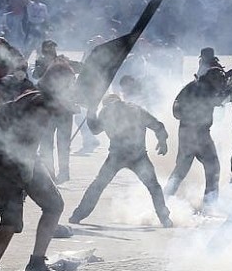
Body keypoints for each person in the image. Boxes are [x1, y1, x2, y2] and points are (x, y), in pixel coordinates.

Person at [0, 63, 74, 271]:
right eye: (68, 84)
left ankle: (37, 262)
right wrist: (25, 165)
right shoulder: (40, 102)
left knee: (54, 205)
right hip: (10, 161)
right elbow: (25, 134)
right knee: (10, 220)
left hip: (22, 159)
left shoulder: (35, 97)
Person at [69, 94, 172, 227]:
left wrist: (91, 112)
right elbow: (158, 125)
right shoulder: (136, 109)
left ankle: (77, 216)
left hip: (117, 156)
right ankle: (165, 219)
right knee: (154, 187)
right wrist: (162, 141)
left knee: (98, 185)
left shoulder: (106, 111)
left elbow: (95, 130)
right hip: (138, 155)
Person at [164, 67, 231, 207]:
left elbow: (176, 109)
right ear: (212, 79)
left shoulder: (193, 85)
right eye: (219, 80)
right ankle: (209, 205)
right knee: (213, 169)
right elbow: (219, 100)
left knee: (180, 171)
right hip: (199, 134)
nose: (221, 83)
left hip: (185, 132)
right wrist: (231, 89)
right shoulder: (206, 89)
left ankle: (163, 200)